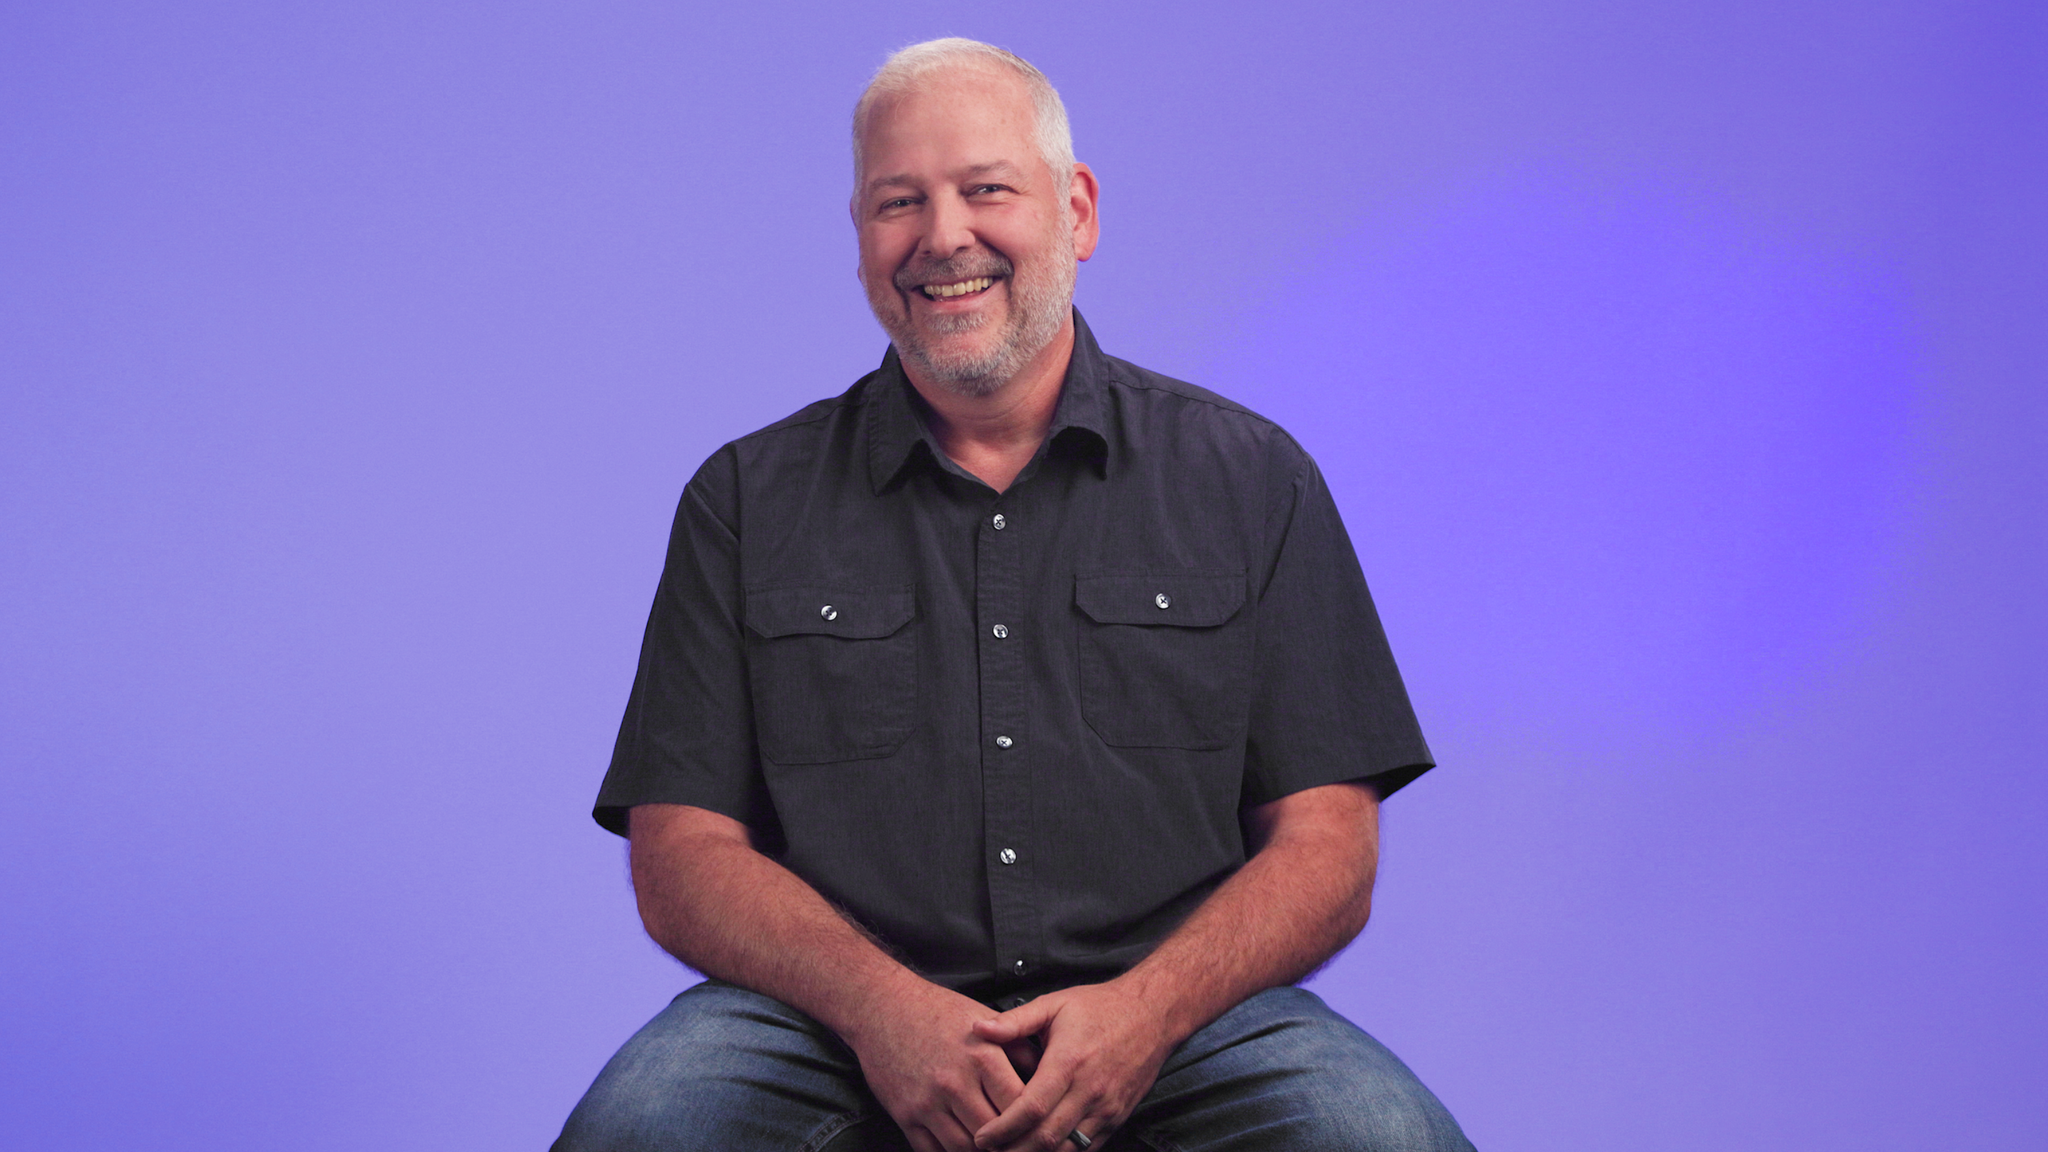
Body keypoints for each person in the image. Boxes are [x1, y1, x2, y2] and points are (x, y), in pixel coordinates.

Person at [554, 37, 1475, 1152]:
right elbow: (680, 853)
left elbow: (1329, 847)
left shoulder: (1249, 478)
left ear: (1075, 212)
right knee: (640, 1127)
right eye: (899, 201)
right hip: (825, 1025)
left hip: (1185, 1021)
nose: (942, 236)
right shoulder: (744, 500)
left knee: (1380, 1135)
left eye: (985, 189)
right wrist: (882, 1011)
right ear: (860, 237)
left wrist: (1146, 1013)